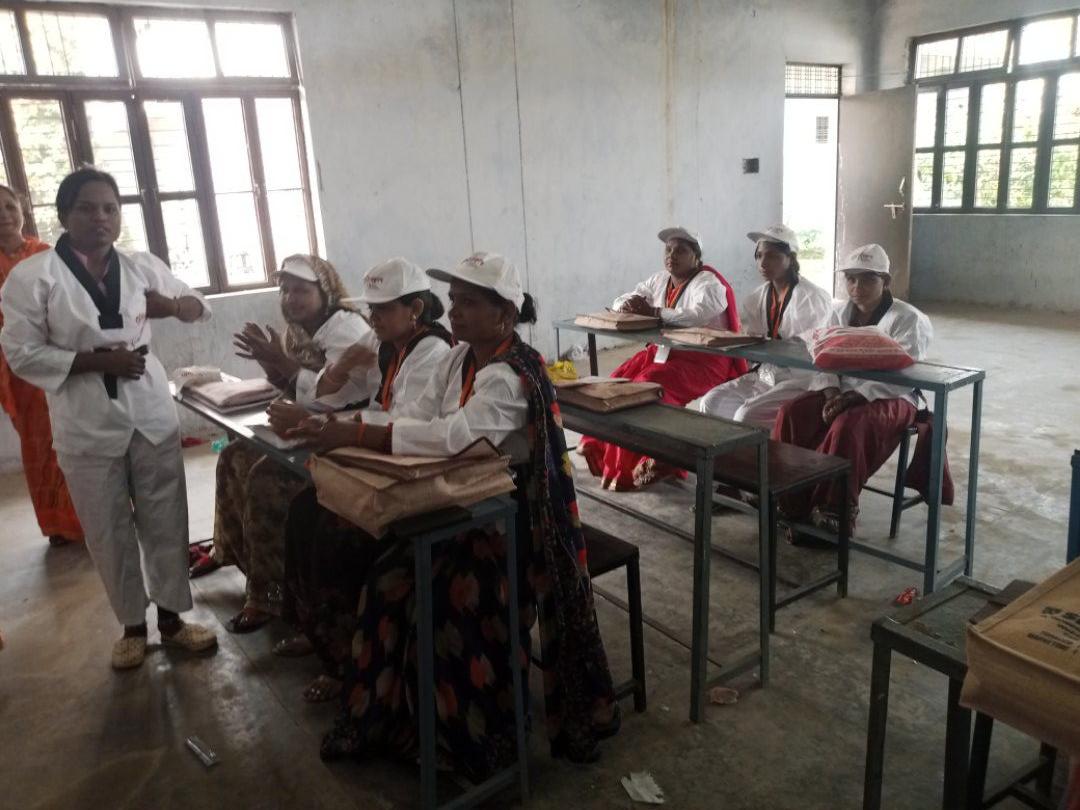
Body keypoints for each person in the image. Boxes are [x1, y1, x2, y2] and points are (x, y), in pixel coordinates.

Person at [286, 251, 617, 777]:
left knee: (445, 600)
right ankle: (396, 720)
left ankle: (475, 744)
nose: (455, 312)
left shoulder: (512, 374)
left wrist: (358, 433)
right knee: (386, 581)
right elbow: (421, 417)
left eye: (469, 303)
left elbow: (454, 437)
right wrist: (349, 428)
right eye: (455, 300)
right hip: (461, 501)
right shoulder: (460, 356)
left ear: (504, 314)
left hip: (511, 520)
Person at [0, 168, 216, 669]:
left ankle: (172, 620)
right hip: (86, 419)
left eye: (110, 208)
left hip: (148, 411)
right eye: (86, 208)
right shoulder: (33, 278)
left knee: (166, 517)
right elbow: (22, 354)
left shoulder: (140, 265)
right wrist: (98, 362)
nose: (100, 218)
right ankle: (133, 627)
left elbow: (198, 306)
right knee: (106, 525)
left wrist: (174, 305)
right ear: (63, 215)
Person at [275, 257, 453, 692]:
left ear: (414, 309)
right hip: (383, 454)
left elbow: (407, 421)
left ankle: (343, 657)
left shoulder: (432, 351)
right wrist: (332, 402)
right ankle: (314, 628)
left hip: (415, 467)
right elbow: (348, 394)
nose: (372, 318)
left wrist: (334, 426)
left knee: (335, 535)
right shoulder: (387, 342)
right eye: (371, 309)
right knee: (304, 509)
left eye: (383, 309)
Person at [209, 254, 373, 633]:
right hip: (307, 422)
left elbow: (333, 395)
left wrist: (280, 362)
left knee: (267, 479)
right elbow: (293, 388)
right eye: (285, 290)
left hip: (343, 427)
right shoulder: (298, 331)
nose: (291, 298)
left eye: (301, 290)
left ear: (325, 291)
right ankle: (239, 558)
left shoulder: (345, 328)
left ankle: (271, 596)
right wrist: (271, 363)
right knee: (234, 456)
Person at [772, 244, 932, 533]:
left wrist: (857, 396)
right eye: (851, 279)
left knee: (848, 425)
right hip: (842, 388)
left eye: (868, 279)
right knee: (791, 413)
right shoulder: (837, 313)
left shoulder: (908, 318)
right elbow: (823, 357)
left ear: (886, 281)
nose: (857, 287)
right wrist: (832, 392)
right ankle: (788, 497)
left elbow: (904, 372)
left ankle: (835, 508)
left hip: (891, 394)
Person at [578, 226, 745, 490]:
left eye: (681, 250)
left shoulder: (709, 283)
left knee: (647, 387)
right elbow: (628, 296)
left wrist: (655, 312)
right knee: (618, 380)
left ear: (696, 256)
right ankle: (603, 449)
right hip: (665, 352)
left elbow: (698, 314)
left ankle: (662, 460)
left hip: (704, 360)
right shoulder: (660, 279)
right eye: (668, 249)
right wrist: (628, 305)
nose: (671, 255)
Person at [0, 184, 83, 547]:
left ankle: (86, 517)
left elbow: (71, 303)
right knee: (37, 444)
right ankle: (56, 524)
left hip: (56, 361)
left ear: (22, 211)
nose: (4, 215)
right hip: (16, 371)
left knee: (69, 437)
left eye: (9, 206)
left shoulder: (46, 255)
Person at [698, 224, 833, 428]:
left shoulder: (812, 297)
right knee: (711, 403)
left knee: (745, 416)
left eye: (772, 256)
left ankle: (762, 448)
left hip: (800, 378)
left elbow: (804, 349)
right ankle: (722, 448)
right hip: (765, 373)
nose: (763, 263)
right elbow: (752, 339)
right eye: (759, 256)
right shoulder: (756, 297)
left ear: (791, 259)